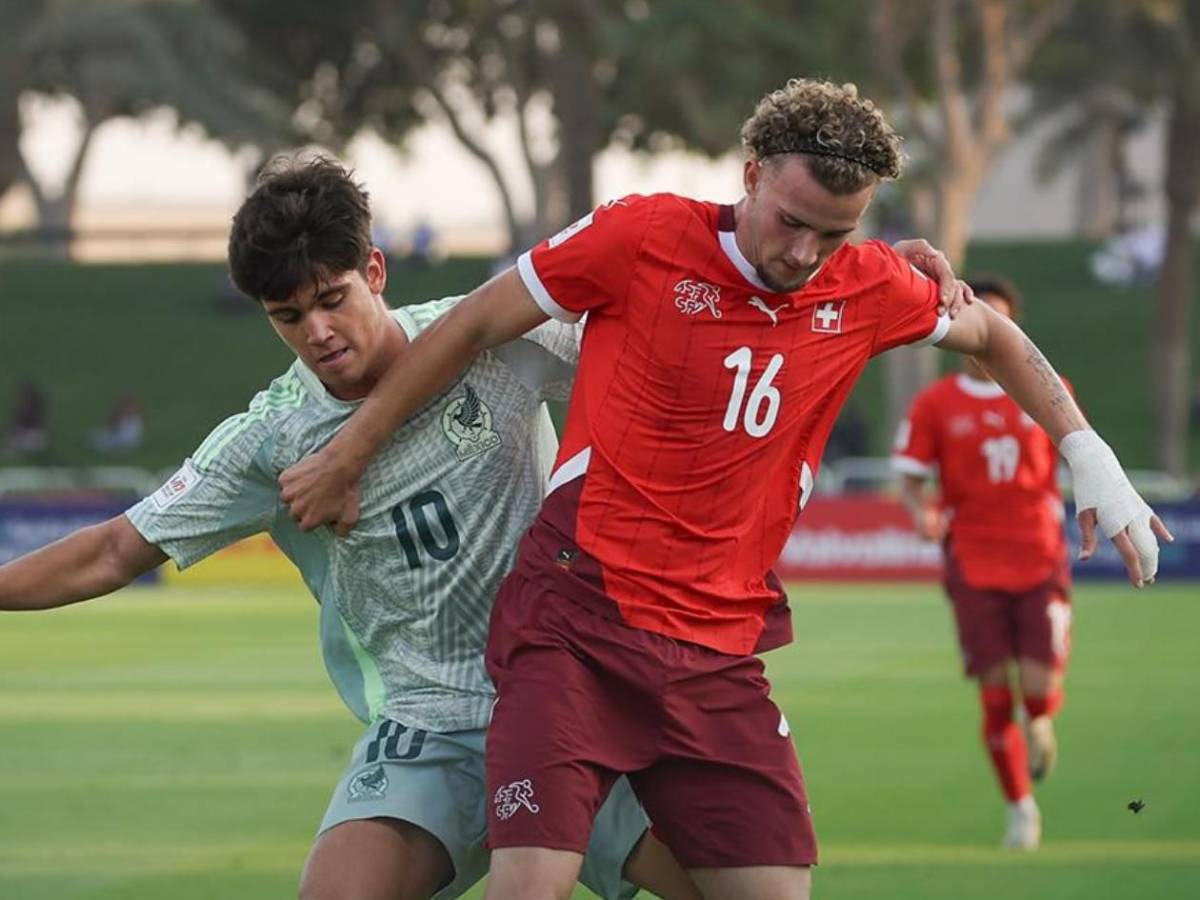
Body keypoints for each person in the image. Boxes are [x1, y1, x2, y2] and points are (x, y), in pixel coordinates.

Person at [276, 79, 1170, 900]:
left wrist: (1089, 455)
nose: (805, 253)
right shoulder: (641, 236)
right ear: (750, 175)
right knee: (530, 885)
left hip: (716, 651)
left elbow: (995, 337)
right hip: (574, 622)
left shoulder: (869, 285)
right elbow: (474, 320)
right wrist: (351, 453)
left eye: (834, 234)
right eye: (791, 221)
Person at [0, 156, 701, 900]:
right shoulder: (272, 440)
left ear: (375, 270)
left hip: (570, 697)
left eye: (332, 299)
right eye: (289, 317)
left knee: (739, 888)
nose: (319, 332)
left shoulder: (490, 339)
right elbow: (116, 548)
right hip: (429, 726)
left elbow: (657, 363)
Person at [892, 275, 1071, 850]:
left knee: (1038, 690)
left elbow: (1078, 452)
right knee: (995, 696)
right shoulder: (936, 403)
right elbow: (911, 479)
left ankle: (1040, 721)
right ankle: (1020, 806)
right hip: (973, 560)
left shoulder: (1047, 386)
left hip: (1040, 555)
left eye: (999, 318)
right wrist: (923, 511)